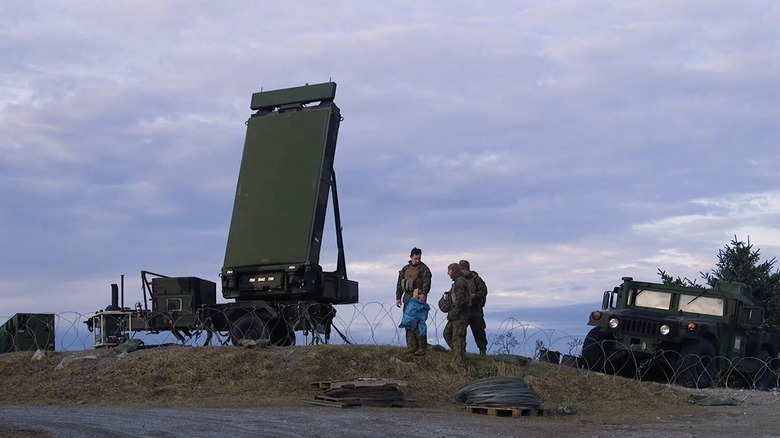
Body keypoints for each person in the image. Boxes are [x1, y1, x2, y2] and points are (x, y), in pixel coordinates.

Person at [395, 247, 432, 355]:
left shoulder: (424, 269)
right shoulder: (405, 269)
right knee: (408, 322)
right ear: (411, 257)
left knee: (419, 323)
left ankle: (421, 348)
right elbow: (399, 284)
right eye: (416, 258)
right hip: (407, 297)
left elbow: (427, 283)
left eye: (419, 258)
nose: (417, 260)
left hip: (417, 298)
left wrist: (424, 294)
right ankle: (411, 346)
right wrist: (398, 297)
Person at [443, 262, 470, 366]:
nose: (448, 273)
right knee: (447, 334)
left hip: (460, 315)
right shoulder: (457, 282)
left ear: (454, 270)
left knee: (457, 338)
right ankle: (458, 355)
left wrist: (453, 312)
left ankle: (460, 363)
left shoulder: (460, 282)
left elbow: (460, 300)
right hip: (455, 315)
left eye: (449, 270)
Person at [460, 260, 488, 356]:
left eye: (462, 269)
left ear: (466, 269)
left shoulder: (476, 279)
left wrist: (475, 296)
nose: (461, 271)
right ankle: (461, 350)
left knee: (479, 331)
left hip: (476, 310)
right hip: (464, 310)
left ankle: (482, 351)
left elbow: (484, 291)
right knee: (461, 331)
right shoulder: (459, 280)